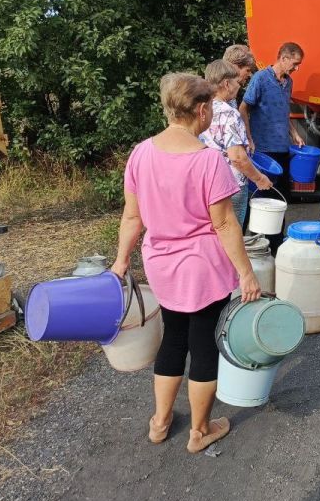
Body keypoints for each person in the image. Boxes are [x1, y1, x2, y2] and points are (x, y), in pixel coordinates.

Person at [110, 73, 263, 453]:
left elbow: (132, 217)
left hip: (161, 265)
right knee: (204, 344)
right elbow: (224, 224)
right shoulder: (207, 161)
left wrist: (121, 261)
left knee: (174, 337)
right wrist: (247, 273)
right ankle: (199, 431)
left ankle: (160, 422)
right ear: (202, 109)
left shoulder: (141, 153)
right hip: (202, 270)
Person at [239, 42, 306, 252]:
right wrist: (249, 137)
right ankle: (248, 245)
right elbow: (243, 108)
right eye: (295, 63)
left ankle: (275, 248)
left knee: (279, 200)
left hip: (282, 149)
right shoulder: (260, 78)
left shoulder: (288, 82)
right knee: (258, 200)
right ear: (283, 58)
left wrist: (294, 133)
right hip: (262, 151)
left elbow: (284, 113)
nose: (296, 68)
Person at [201, 60, 273, 226]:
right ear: (227, 84)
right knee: (231, 232)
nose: (239, 86)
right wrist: (259, 178)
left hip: (206, 183)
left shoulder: (202, 110)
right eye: (236, 82)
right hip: (230, 185)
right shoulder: (229, 114)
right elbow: (237, 158)